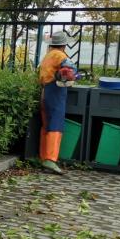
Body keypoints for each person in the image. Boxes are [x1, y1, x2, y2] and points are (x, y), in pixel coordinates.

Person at [38, 31, 77, 175]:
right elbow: (70, 69)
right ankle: (50, 159)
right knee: (56, 125)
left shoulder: (48, 56)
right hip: (55, 91)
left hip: (45, 91)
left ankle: (43, 158)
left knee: (46, 125)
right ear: (64, 45)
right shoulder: (60, 56)